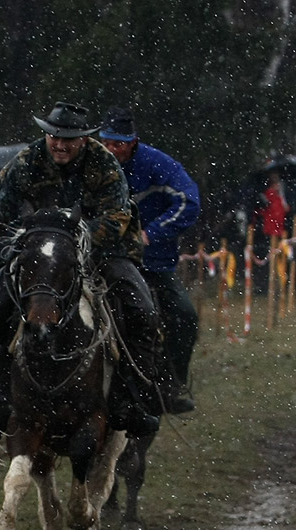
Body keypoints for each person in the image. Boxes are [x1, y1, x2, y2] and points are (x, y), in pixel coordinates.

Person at [0, 101, 160, 439]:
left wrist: (76, 237)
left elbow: (117, 218)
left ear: (83, 139)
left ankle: (132, 401)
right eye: (54, 136)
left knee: (142, 309)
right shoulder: (26, 162)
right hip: (40, 252)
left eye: (69, 138)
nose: (60, 144)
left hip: (105, 250)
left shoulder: (104, 163)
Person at [98, 106, 199, 414]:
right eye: (107, 142)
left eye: (118, 143)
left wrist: (150, 234)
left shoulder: (157, 164)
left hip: (151, 264)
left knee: (184, 317)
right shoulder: (89, 162)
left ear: (133, 142)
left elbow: (189, 201)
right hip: (99, 259)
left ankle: (171, 384)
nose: (111, 150)